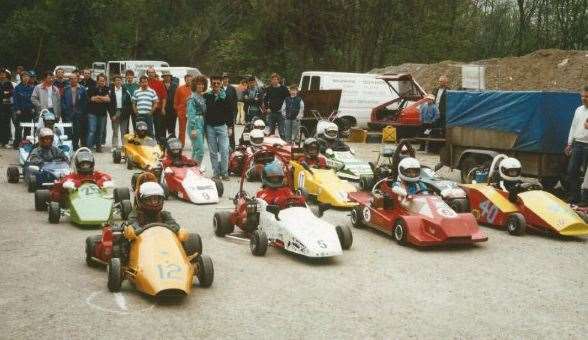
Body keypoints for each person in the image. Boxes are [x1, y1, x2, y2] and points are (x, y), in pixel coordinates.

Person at [204, 75, 231, 180]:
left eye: (218, 83)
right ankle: (216, 173)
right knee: (213, 151)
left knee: (224, 150)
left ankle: (224, 172)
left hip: (222, 126)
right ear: (211, 84)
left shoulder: (226, 96)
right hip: (210, 127)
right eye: (214, 83)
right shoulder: (207, 96)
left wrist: (230, 127)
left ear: (221, 84)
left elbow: (230, 112)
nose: (216, 85)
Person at [565, 85, 588, 203]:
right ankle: (574, 197)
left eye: (587, 97)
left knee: (586, 175)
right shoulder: (578, 110)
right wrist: (569, 144)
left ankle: (585, 200)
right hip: (578, 144)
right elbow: (573, 127)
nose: (584, 99)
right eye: (582, 96)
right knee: (572, 171)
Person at [61, 70, 87, 149]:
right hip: (68, 113)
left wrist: (81, 111)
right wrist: (65, 111)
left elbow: (84, 102)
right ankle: (68, 146)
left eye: (75, 78)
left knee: (77, 131)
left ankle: (75, 145)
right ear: (69, 80)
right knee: (68, 130)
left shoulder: (82, 89)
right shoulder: (65, 89)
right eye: (71, 78)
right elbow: (62, 101)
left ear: (78, 79)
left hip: (78, 113)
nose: (73, 80)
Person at [86, 74, 110, 152]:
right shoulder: (91, 88)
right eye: (100, 80)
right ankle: (89, 147)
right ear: (97, 81)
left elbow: (108, 99)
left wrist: (98, 97)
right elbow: (91, 99)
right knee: (92, 131)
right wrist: (102, 98)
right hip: (92, 113)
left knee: (100, 131)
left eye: (103, 81)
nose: (102, 82)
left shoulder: (108, 89)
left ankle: (98, 147)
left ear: (105, 81)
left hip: (102, 114)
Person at [186, 76, 207, 164]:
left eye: (202, 84)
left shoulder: (202, 97)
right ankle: (196, 170)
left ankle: (191, 171)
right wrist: (193, 128)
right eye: (198, 84)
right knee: (200, 151)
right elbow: (191, 114)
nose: (201, 86)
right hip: (195, 124)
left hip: (201, 124)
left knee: (195, 149)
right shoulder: (192, 98)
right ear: (195, 85)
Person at [109, 75, 132, 149]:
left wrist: (123, 113)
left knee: (123, 132)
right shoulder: (111, 91)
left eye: (119, 80)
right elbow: (110, 105)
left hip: (124, 113)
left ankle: (124, 146)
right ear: (114, 82)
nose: (118, 82)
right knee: (115, 131)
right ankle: (114, 146)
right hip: (114, 112)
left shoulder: (126, 91)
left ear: (121, 81)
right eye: (116, 80)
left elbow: (129, 105)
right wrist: (112, 115)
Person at [12, 71, 35, 147]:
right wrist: (17, 109)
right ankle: (17, 144)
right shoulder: (17, 88)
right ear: (21, 78)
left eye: (27, 77)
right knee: (19, 129)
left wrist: (32, 108)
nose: (26, 78)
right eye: (24, 76)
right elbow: (15, 100)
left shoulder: (31, 88)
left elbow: (32, 99)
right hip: (20, 111)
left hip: (28, 111)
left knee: (28, 129)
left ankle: (26, 144)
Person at [146, 67, 167, 145]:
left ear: (155, 73)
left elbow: (164, 97)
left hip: (158, 109)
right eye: (149, 72)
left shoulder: (160, 83)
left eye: (152, 72)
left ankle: (158, 142)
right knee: (148, 127)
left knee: (158, 127)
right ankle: (149, 142)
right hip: (147, 108)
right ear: (147, 74)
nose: (151, 74)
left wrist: (163, 108)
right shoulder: (145, 83)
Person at [173, 74, 194, 147]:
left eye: (190, 79)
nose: (189, 80)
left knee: (193, 128)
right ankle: (181, 144)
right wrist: (178, 110)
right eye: (187, 79)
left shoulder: (195, 89)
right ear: (185, 80)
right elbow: (176, 100)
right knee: (182, 130)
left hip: (192, 112)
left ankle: (194, 143)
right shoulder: (179, 88)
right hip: (182, 111)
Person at [222, 73, 238, 150]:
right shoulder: (220, 88)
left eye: (226, 78)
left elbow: (235, 101)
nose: (225, 79)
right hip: (221, 114)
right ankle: (223, 147)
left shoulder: (232, 88)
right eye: (224, 78)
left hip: (230, 113)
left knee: (231, 131)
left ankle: (232, 147)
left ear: (228, 79)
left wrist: (235, 114)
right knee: (222, 131)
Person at [0, 69, 15, 147]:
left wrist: (6, 93)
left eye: (3, 74)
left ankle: (5, 141)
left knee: (6, 123)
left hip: (7, 106)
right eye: (1, 74)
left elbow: (12, 92)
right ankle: (1, 141)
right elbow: (3, 93)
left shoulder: (8, 83)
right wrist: (5, 93)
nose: (2, 75)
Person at [162, 71, 177, 137]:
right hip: (163, 109)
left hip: (172, 110)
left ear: (171, 77)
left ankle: (172, 142)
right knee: (162, 128)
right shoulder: (160, 84)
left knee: (172, 128)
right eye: (165, 76)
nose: (167, 78)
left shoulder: (175, 85)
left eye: (168, 76)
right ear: (163, 77)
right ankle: (163, 142)